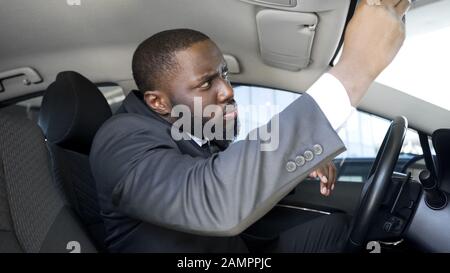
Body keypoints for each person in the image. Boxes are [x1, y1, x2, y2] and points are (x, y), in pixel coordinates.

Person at [90, 0, 410, 252]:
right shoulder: (119, 139)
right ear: (158, 102)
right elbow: (213, 200)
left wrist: (300, 160)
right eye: (206, 83)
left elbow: (231, 166)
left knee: (341, 229)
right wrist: (355, 69)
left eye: (224, 75)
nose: (228, 91)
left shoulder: (195, 130)